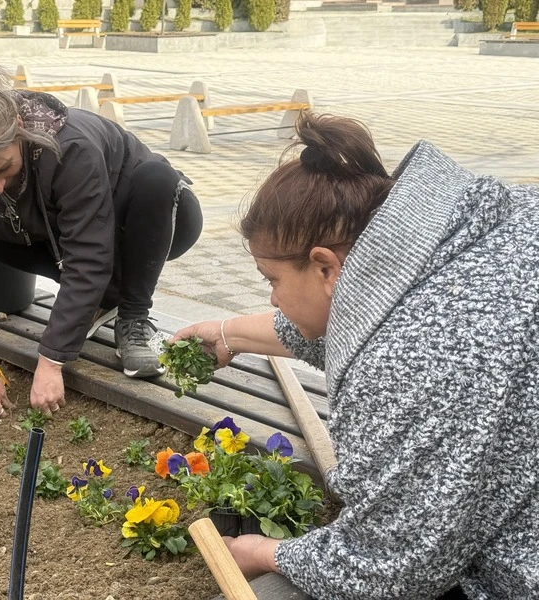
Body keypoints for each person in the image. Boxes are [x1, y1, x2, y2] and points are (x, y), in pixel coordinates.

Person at [172, 113, 539, 599]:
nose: (273, 300)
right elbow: (351, 321)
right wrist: (228, 333)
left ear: (325, 264)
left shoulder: (414, 359)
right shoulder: (469, 230)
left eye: (271, 280)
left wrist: (263, 552)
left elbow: (389, 570)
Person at [0, 50, 203, 418]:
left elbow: (89, 255)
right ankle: (104, 297)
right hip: (72, 237)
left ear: (19, 127)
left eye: (4, 168)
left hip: (153, 221)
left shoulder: (70, 147)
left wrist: (50, 361)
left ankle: (132, 315)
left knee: (156, 181)